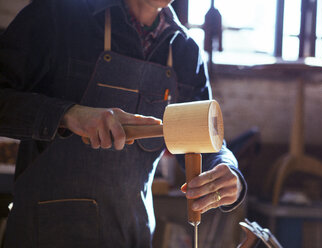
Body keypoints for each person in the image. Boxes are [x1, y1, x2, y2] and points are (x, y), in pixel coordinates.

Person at [0, 0, 247, 247]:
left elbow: (204, 140)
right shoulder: (58, 15)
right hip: (46, 236)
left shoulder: (184, 51)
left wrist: (227, 170)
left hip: (132, 235)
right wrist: (69, 115)